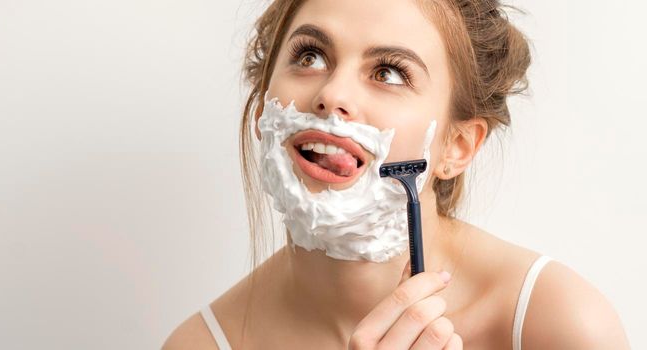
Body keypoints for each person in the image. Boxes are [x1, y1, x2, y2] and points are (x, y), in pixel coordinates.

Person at [164, 0, 630, 348]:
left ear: (458, 146)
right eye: (310, 56)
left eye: (388, 72)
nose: (331, 93)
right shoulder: (199, 344)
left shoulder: (558, 323)